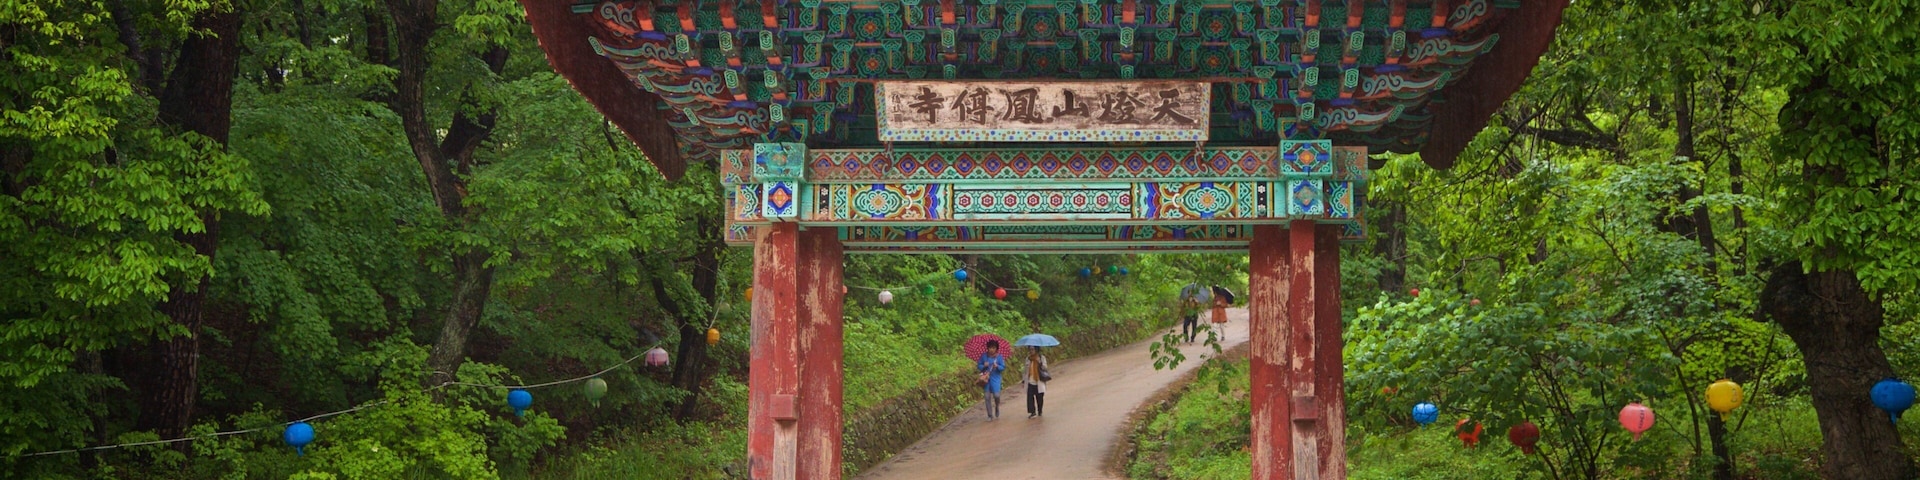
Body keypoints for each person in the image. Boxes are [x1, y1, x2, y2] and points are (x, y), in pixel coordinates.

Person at [976, 340, 1006, 420]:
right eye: (990, 347)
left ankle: (997, 406)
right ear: (987, 348)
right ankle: (990, 415)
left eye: (993, 348)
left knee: (996, 395)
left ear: (996, 348)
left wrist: (998, 367)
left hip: (995, 378)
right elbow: (979, 365)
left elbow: (1003, 367)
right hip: (986, 379)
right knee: (987, 396)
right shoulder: (984, 356)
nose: (991, 349)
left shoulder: (999, 357)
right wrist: (983, 366)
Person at [1023, 346, 1049, 418]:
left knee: (1039, 398)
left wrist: (1039, 362)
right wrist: (1023, 380)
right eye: (1030, 349)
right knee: (1030, 397)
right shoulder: (1028, 359)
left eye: (1032, 349)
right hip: (1030, 381)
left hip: (1039, 381)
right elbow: (1025, 371)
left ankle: (1040, 410)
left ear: (1036, 350)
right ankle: (1032, 412)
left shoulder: (1041, 357)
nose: (1031, 351)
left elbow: (1045, 368)